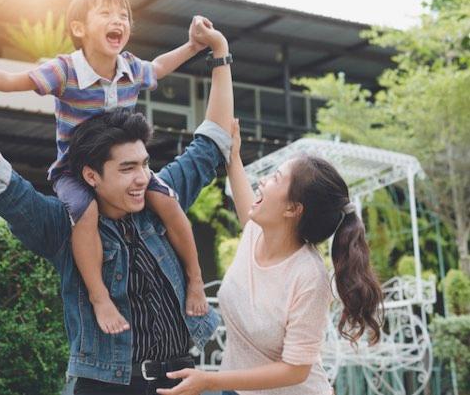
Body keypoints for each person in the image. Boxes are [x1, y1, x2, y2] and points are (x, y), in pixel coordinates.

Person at [0, 20, 233, 394]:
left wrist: (220, 54)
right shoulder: (64, 226)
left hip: (182, 379)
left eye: (143, 164)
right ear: (91, 176)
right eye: (127, 169)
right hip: (107, 384)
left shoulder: (159, 200)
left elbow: (211, 144)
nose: (142, 177)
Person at [156, 122, 384, 395]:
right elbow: (243, 195)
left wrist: (211, 380)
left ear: (293, 209)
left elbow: (296, 369)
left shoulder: (309, 277)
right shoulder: (257, 231)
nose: (263, 181)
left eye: (275, 178)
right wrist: (233, 155)